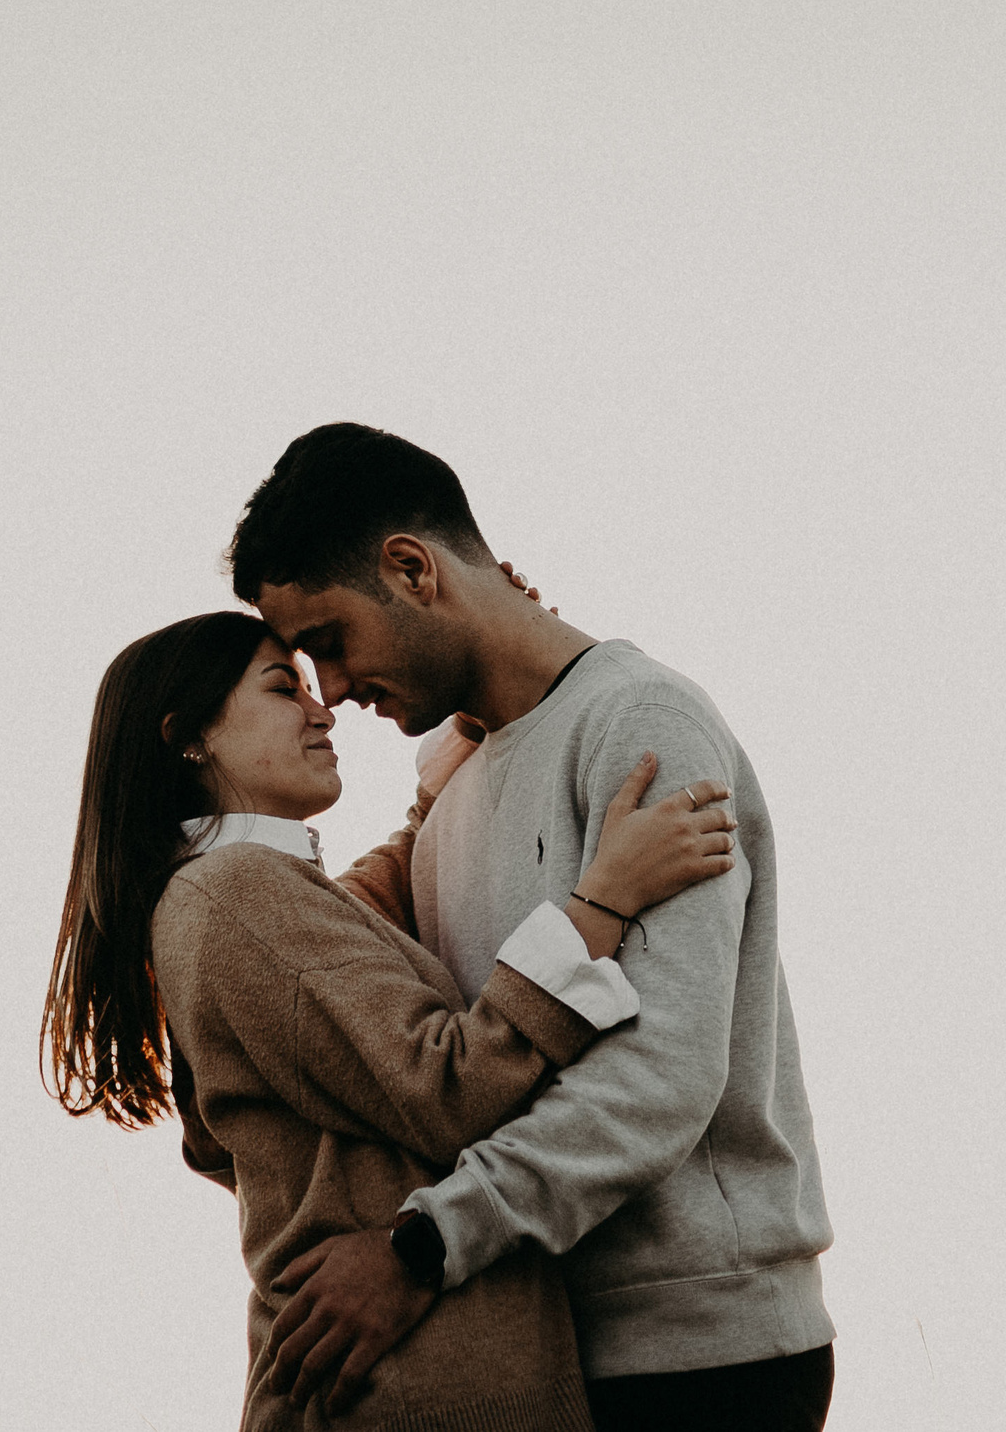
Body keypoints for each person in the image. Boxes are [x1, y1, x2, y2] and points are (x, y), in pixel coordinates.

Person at [232, 423, 834, 1432]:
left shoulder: (641, 724)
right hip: (542, 1344)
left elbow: (660, 1079)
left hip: (701, 1355)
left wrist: (420, 1245)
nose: (329, 689)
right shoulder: (456, 789)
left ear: (412, 568)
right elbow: (350, 987)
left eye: (331, 642)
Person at [42, 609, 735, 1430]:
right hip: (421, 1389)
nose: (322, 708)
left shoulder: (232, 893)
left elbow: (357, 919)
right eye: (281, 687)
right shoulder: (234, 897)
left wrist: (452, 755)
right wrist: (603, 902)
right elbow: (450, 1087)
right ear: (191, 737)